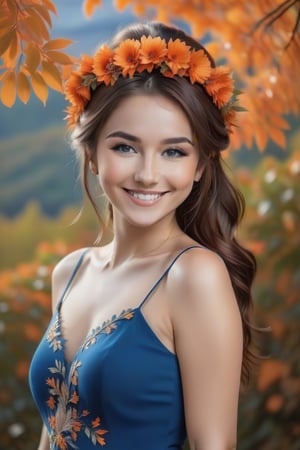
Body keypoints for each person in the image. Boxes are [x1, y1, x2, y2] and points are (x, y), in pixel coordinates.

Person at [29, 21, 256, 450]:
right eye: (125, 147)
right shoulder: (70, 273)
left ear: (201, 166)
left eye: (174, 151)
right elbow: (54, 432)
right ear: (92, 153)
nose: (148, 175)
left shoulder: (194, 276)